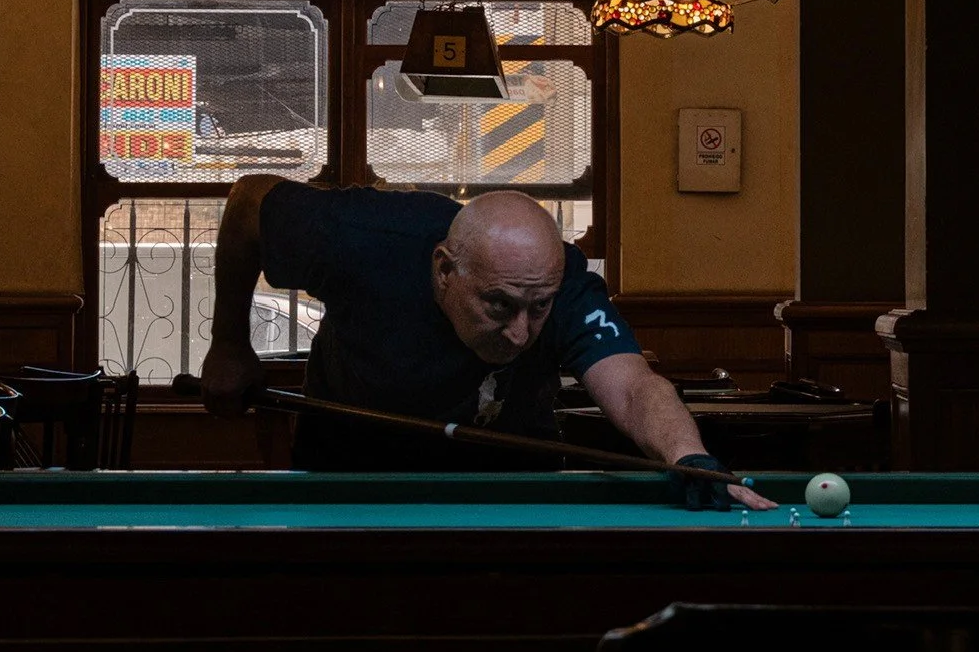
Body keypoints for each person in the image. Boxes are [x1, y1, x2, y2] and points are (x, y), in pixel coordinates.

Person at [200, 177, 776, 510]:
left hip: (514, 487)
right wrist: (229, 342)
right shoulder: (361, 237)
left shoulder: (566, 284)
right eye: (498, 305)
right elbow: (251, 201)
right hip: (349, 481)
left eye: (538, 308)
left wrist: (685, 455)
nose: (522, 333)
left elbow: (632, 386)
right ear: (446, 271)